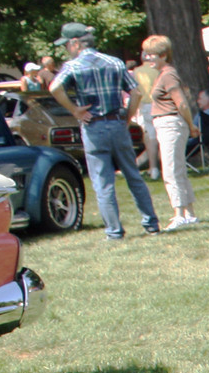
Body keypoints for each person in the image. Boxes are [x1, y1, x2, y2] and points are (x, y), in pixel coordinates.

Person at [48, 22, 159, 239]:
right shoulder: (115, 62)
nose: (66, 50)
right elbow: (135, 93)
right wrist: (126, 118)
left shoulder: (73, 66)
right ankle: (151, 224)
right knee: (133, 176)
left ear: (75, 43)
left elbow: (54, 87)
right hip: (117, 122)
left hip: (93, 126)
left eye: (66, 45)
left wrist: (75, 110)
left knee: (103, 181)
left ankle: (114, 231)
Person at [141, 35, 197, 230]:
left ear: (164, 55)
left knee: (171, 171)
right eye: (146, 54)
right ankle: (189, 214)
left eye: (151, 55)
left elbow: (181, 102)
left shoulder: (168, 75)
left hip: (171, 124)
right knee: (179, 170)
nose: (147, 58)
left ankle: (179, 213)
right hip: (168, 124)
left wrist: (191, 125)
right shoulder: (163, 73)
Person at [131, 49, 160, 179]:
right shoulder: (159, 69)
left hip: (147, 105)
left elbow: (137, 92)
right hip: (162, 105)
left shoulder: (138, 72)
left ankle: (153, 168)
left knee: (150, 137)